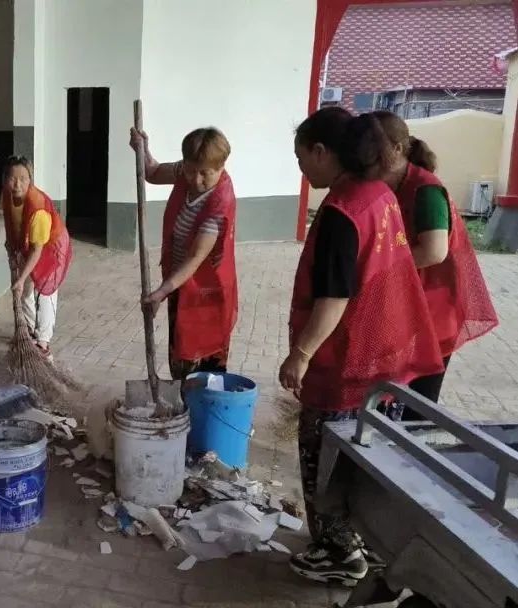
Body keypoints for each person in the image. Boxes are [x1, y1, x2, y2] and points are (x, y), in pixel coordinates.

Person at [279, 107, 444, 586]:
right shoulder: (379, 194)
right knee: (365, 458)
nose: (301, 169)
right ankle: (365, 541)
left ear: (321, 151)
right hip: (384, 359)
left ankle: (339, 552)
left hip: (345, 362)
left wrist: (301, 355)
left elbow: (334, 296)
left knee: (326, 456)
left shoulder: (342, 211)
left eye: (301, 158)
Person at [372, 110, 498, 414]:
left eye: (372, 150)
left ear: (396, 149)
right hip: (406, 304)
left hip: (433, 310)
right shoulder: (391, 186)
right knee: (389, 398)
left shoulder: (426, 190)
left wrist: (378, 269)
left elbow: (434, 251)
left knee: (418, 404)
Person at [129, 127, 238, 380]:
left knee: (201, 362)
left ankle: (201, 401)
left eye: (205, 174)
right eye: (190, 170)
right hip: (179, 284)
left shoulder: (220, 203)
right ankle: (181, 395)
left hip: (207, 293)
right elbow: (153, 172)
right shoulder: (184, 171)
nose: (195, 180)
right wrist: (142, 150)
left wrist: (161, 292)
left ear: (221, 167)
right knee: (179, 353)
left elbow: (195, 258)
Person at [0, 155, 72, 359]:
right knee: (25, 291)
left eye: (23, 179)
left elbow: (37, 251)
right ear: (5, 180)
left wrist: (21, 277)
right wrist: (11, 249)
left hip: (51, 247)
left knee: (45, 291)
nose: (17, 184)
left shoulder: (38, 209)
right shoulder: (7, 196)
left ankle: (43, 341)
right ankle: (29, 331)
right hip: (27, 245)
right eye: (12, 178)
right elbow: (9, 222)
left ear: (30, 180)